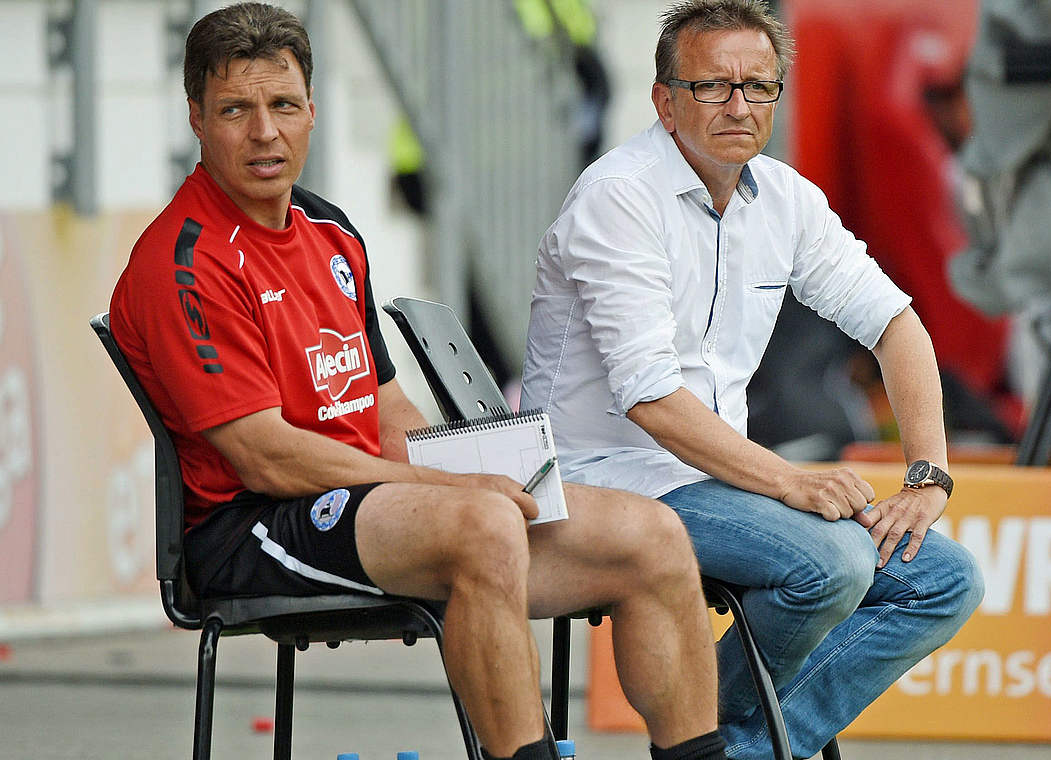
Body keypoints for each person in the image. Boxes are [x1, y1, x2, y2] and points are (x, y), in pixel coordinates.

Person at [108, 6, 729, 760]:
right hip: (252, 525)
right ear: (197, 121)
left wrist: (478, 465)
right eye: (236, 109)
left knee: (652, 534)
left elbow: (385, 408)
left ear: (311, 112)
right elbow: (265, 458)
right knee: (483, 526)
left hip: (364, 501)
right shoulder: (183, 261)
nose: (264, 132)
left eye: (283, 106)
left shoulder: (329, 230)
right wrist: (452, 492)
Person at [521, 2, 984, 757]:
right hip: (603, 483)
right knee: (829, 563)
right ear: (664, 100)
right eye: (713, 86)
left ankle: (736, 748)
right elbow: (651, 400)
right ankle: (710, 740)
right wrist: (789, 483)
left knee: (945, 578)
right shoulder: (619, 196)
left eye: (758, 86)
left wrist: (927, 475)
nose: (739, 105)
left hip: (714, 480)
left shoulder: (786, 198)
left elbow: (897, 326)